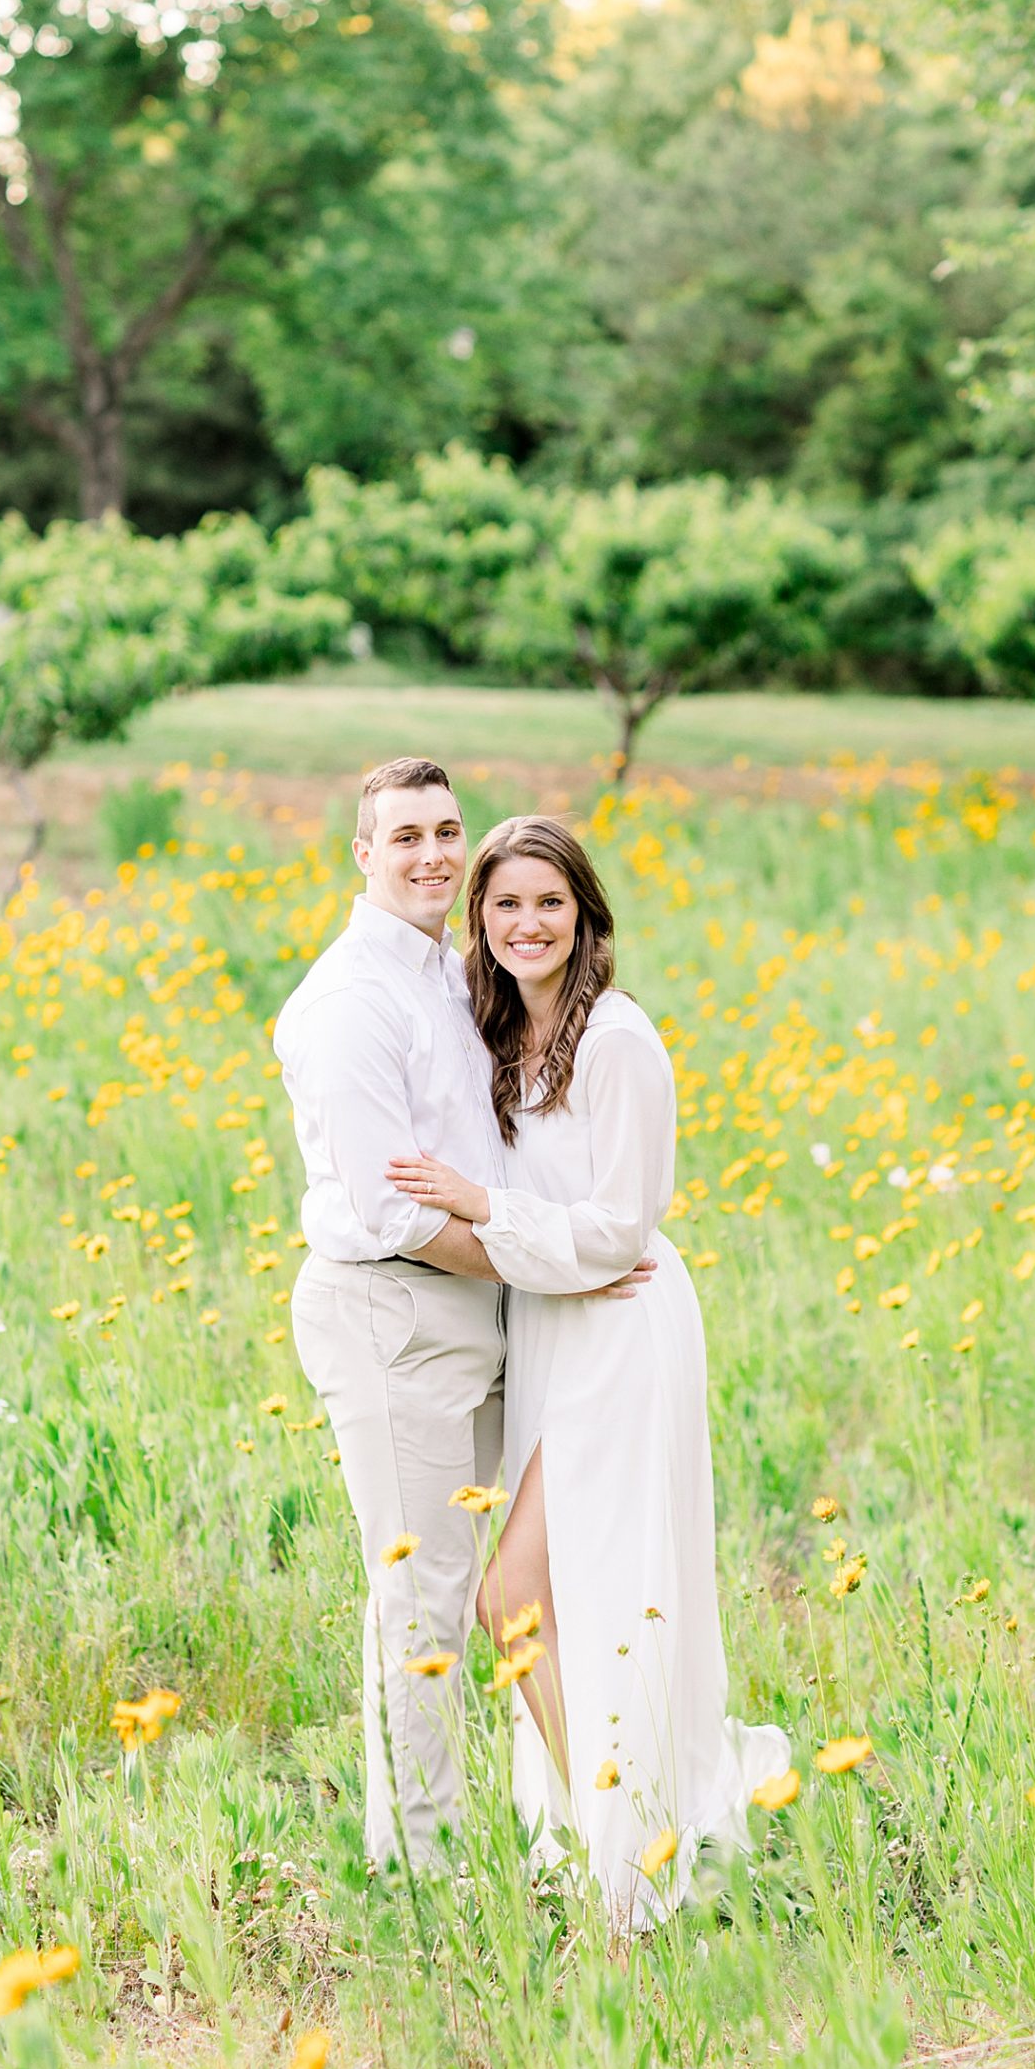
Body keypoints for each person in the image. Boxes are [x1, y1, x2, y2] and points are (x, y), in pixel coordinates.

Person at [387, 813, 789, 1929]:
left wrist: (481, 1207)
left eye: (548, 903)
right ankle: (615, 1835)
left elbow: (621, 1229)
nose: (527, 924)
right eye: (505, 904)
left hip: (620, 1330)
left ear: (586, 915)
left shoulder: (619, 1041)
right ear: (478, 919)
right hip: (552, 1329)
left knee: (516, 1596)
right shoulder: (494, 1033)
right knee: (563, 1603)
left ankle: (628, 1863)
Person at [274, 757, 649, 1870]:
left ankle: (592, 1815)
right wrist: (551, 1265)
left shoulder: (448, 971)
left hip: (484, 1314)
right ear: (363, 853)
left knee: (503, 1583)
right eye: (406, 837)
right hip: (400, 1314)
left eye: (447, 831)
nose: (433, 853)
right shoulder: (345, 1003)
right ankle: (420, 1871)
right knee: (425, 1601)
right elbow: (390, 1210)